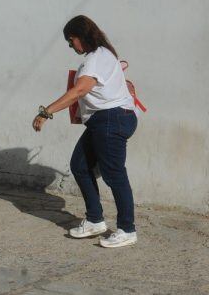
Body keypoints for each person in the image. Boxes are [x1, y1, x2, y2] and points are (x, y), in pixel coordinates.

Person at [31, 15, 138, 248]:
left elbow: (79, 90)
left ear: (81, 36)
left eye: (71, 41)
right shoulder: (101, 56)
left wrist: (46, 112)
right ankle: (94, 220)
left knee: (114, 174)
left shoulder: (97, 57)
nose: (71, 46)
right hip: (104, 120)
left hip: (111, 119)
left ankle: (127, 229)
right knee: (80, 165)